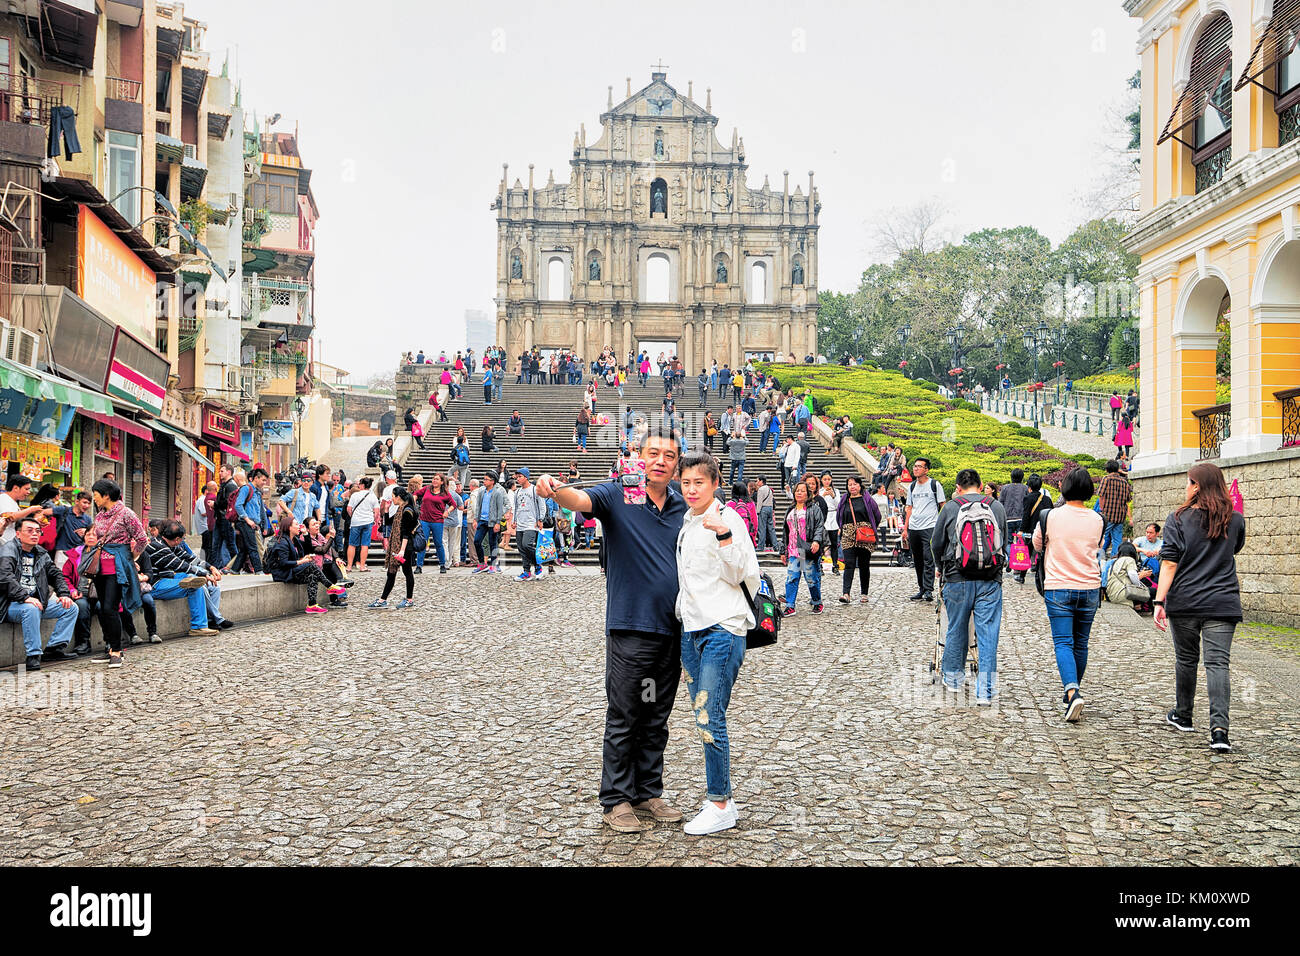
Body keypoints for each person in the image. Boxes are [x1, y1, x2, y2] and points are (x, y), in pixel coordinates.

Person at [535, 427, 687, 834]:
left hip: (671, 631)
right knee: (626, 713)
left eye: (668, 456)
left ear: (676, 464)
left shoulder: (682, 504)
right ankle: (616, 798)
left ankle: (647, 791)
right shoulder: (618, 493)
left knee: (655, 713)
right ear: (638, 456)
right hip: (631, 629)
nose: (660, 460)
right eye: (652, 453)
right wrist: (553, 489)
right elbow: (579, 500)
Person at [674, 451, 760, 835]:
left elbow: (744, 571)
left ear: (715, 482)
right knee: (701, 715)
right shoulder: (688, 522)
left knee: (710, 716)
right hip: (692, 629)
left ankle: (720, 802)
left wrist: (723, 534)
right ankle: (721, 798)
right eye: (686, 482)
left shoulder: (728, 519)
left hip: (722, 628)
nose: (691, 489)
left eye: (699, 482)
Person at [1153, 462, 1245, 751]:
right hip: (1222, 601)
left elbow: (1169, 562)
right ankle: (1219, 731)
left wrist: (1159, 601)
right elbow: (1235, 549)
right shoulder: (1236, 519)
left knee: (1187, 659)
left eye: (1189, 482)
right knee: (1218, 664)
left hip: (1186, 600)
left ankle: (1184, 715)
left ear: (1197, 486)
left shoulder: (1178, 518)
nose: (1186, 487)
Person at [1032, 467, 1103, 723]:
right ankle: (1072, 689)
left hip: (1059, 586)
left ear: (1064, 488)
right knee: (1081, 642)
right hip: (1089, 587)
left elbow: (1038, 545)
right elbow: (1099, 546)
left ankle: (1072, 692)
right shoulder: (1097, 519)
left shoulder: (1050, 516)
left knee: (1063, 642)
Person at [930, 469, 1008, 702]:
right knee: (988, 633)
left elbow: (936, 542)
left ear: (958, 487)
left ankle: (953, 679)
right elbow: (1003, 539)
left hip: (957, 577)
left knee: (956, 627)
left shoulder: (952, 507)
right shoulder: (996, 507)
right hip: (990, 580)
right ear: (981, 484)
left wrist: (940, 568)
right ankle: (985, 691)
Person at [1, 515, 79, 670]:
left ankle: (54, 648)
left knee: (70, 607)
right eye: (29, 531)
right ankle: (33, 655)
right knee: (31, 608)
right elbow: (4, 576)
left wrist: (64, 593)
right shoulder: (8, 550)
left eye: (37, 531)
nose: (35, 534)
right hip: (10, 604)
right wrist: (25, 597)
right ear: (18, 534)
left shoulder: (41, 553)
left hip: (36, 602)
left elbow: (56, 574)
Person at [85, 479, 148, 668]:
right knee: (102, 608)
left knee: (110, 608)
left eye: (96, 495)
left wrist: (131, 557)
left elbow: (142, 539)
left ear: (106, 495)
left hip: (117, 567)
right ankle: (109, 648)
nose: (94, 498)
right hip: (100, 568)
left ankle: (117, 651)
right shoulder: (100, 515)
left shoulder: (126, 513)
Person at [141, 520, 223, 636]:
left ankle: (210, 620)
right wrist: (203, 574)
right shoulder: (158, 547)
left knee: (204, 584)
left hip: (168, 577)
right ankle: (198, 626)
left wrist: (211, 568)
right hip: (155, 584)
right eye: (183, 539)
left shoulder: (169, 543)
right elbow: (180, 565)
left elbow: (190, 558)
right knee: (194, 584)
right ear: (177, 539)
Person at [265, 516, 332, 613]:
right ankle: (329, 586)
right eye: (296, 524)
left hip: (291, 570)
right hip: (283, 573)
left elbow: (308, 548)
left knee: (312, 576)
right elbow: (283, 563)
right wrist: (301, 561)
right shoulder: (282, 542)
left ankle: (312, 605)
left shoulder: (294, 540)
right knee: (310, 565)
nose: (299, 526)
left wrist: (305, 533)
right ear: (289, 528)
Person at [367, 487, 419, 610]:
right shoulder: (400, 509)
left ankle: (409, 599)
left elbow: (406, 533)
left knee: (407, 572)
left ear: (398, 497)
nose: (392, 498)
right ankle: (382, 599)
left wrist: (402, 550)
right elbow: (389, 522)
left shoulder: (407, 511)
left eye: (393, 496)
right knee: (391, 572)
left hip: (403, 546)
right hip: (397, 546)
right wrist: (386, 509)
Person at [903, 458, 946, 602]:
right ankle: (921, 588)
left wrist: (941, 525)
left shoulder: (934, 485)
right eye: (915, 466)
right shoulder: (912, 486)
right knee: (918, 560)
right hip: (914, 527)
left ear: (926, 470)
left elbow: (942, 505)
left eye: (919, 467)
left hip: (930, 526)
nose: (916, 469)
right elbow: (909, 507)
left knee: (929, 558)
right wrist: (905, 528)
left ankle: (928, 590)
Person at [783, 480, 826, 615]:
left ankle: (817, 601)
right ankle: (790, 605)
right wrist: (783, 550)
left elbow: (820, 526)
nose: (799, 493)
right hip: (793, 549)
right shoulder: (790, 510)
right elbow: (786, 531)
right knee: (792, 578)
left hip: (807, 548)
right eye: (797, 490)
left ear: (808, 494)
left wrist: (816, 541)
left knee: (811, 578)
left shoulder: (814, 509)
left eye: (802, 490)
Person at [837, 475, 881, 604]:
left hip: (864, 535)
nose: (852, 487)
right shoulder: (844, 499)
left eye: (855, 484)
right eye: (850, 484)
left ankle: (864, 593)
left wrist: (870, 528)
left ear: (860, 485)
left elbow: (877, 515)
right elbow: (839, 515)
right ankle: (846, 593)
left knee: (863, 565)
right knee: (849, 564)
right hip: (848, 535)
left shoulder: (867, 499)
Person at [1019, 473, 1054, 584]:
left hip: (1031, 530)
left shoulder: (1028, 498)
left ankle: (1022, 576)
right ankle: (1043, 576)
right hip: (1045, 529)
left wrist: (1021, 530)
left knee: (1027, 552)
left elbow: (1026, 515)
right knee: (1044, 553)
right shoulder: (1047, 499)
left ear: (1029, 487)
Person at [509, 467, 544, 581]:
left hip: (531, 523)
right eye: (517, 477)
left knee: (527, 545)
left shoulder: (534, 490)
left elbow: (541, 505)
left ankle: (538, 565)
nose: (518, 479)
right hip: (520, 523)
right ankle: (526, 571)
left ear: (526, 477)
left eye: (520, 477)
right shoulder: (517, 492)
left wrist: (540, 519)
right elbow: (515, 507)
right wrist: (514, 520)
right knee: (521, 548)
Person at [471, 471, 509, 574]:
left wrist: (498, 522)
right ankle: (482, 563)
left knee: (493, 543)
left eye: (486, 479)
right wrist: (476, 519)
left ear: (492, 481)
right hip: (482, 520)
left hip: (493, 521)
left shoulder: (498, 492)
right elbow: (478, 506)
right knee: (477, 541)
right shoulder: (481, 491)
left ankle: (494, 565)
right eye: (484, 479)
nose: (484, 481)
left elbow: (500, 508)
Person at [417, 472, 455, 574]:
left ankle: (442, 564)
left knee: (438, 543)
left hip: (437, 521)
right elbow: (416, 493)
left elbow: (453, 504)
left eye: (437, 479)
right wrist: (414, 498)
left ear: (442, 482)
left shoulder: (445, 494)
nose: (434, 481)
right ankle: (419, 566)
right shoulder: (427, 489)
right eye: (434, 479)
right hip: (424, 520)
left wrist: (447, 511)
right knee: (422, 543)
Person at [1095, 460, 1133, 558]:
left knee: (1101, 536)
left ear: (1107, 469)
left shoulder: (1106, 479)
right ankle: (1115, 559)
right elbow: (1128, 499)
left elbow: (1101, 496)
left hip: (1108, 514)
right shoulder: (1124, 482)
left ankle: (1098, 559)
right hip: (1120, 515)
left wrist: (1102, 510)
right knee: (1117, 539)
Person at [50, 490, 94, 570]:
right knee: (59, 578)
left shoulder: (88, 519)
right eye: (84, 502)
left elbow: (91, 536)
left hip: (78, 554)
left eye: (89, 503)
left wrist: (86, 532)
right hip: (62, 552)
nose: (87, 505)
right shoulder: (64, 510)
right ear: (77, 501)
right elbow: (44, 512)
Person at [345, 476, 379, 573]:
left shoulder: (355, 495)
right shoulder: (373, 496)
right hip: (368, 521)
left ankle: (349, 566)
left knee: (352, 544)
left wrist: (353, 516)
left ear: (363, 485)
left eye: (360, 484)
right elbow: (376, 511)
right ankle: (362, 566)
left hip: (356, 522)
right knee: (365, 544)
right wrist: (373, 519)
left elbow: (349, 509)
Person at [0, 475, 41, 544]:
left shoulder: (13, 501)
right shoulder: (4, 499)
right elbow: (9, 517)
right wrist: (30, 509)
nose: (28, 492)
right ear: (16, 488)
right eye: (26, 489)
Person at [817, 472, 842, 572]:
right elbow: (818, 503)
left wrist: (832, 495)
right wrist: (823, 495)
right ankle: (820, 565)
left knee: (834, 543)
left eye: (829, 479)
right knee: (822, 543)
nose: (827, 481)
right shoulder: (819, 491)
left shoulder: (836, 491)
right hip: (823, 517)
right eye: (825, 479)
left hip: (833, 517)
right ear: (821, 480)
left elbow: (838, 505)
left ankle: (835, 565)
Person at [754, 475, 777, 553]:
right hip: (770, 508)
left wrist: (757, 511)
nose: (756, 482)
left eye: (757, 481)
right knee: (771, 528)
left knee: (762, 528)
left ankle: (760, 546)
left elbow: (759, 502)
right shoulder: (769, 489)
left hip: (763, 509)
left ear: (761, 481)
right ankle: (775, 545)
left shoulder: (761, 489)